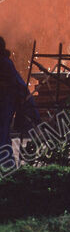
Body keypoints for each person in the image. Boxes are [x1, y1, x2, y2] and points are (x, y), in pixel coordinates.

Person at [0, 36, 31, 165]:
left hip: (6, 103)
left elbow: (15, 85)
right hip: (6, 102)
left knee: (2, 136)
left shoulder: (5, 63)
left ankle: (7, 166)